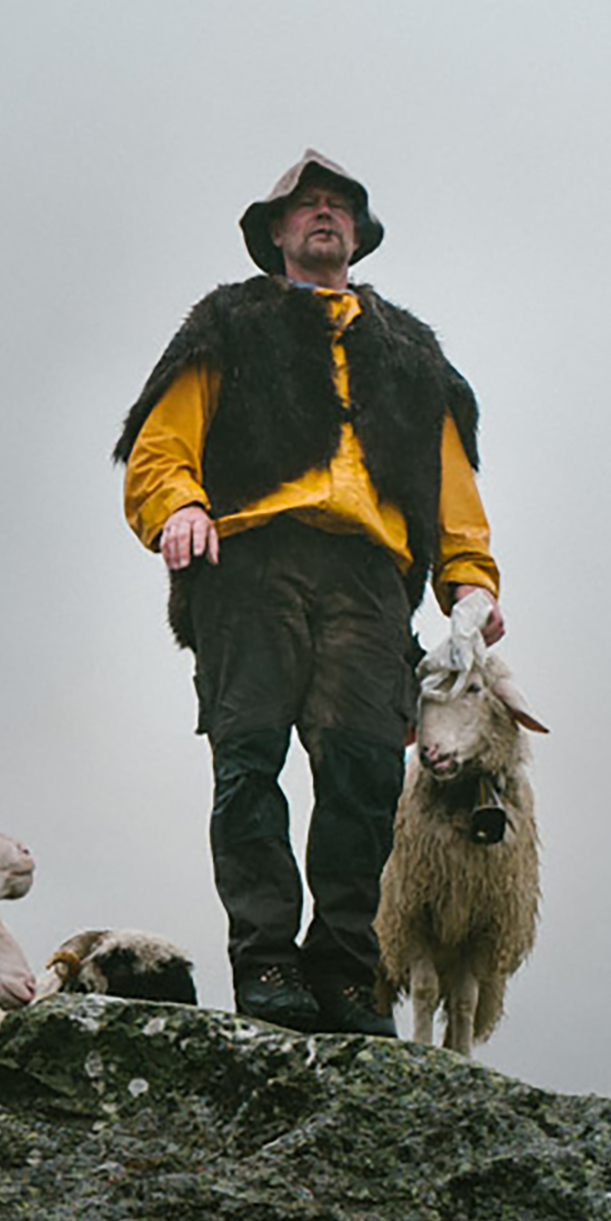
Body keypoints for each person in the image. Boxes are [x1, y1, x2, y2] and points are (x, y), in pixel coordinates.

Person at [115, 151, 504, 1034]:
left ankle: (342, 973)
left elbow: (451, 486)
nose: (323, 215)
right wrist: (178, 508)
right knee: (248, 761)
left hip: (369, 579)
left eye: (339, 207)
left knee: (365, 773)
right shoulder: (229, 324)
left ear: (358, 235)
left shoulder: (410, 352)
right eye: (306, 207)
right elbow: (158, 449)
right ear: (276, 232)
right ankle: (265, 966)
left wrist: (470, 585)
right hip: (250, 561)